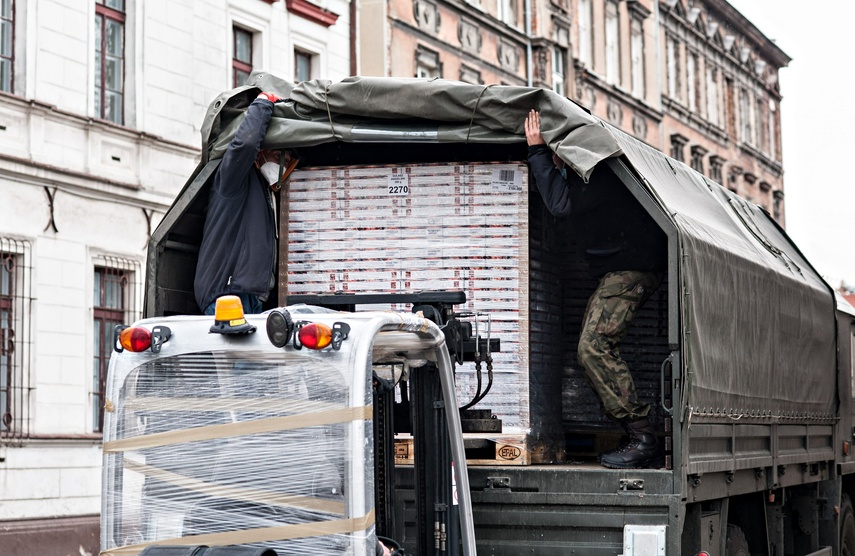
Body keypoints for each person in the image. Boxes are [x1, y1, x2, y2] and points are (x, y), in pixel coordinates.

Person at [524, 109, 667, 469]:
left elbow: (558, 204)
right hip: (624, 269)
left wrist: (537, 151)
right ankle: (639, 433)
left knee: (593, 347)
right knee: (592, 346)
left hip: (629, 270)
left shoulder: (601, 173)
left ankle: (643, 436)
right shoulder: (597, 172)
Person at [194, 91, 298, 316]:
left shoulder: (264, 191)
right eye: (283, 156)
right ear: (262, 152)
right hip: (227, 296)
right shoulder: (234, 179)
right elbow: (244, 145)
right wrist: (263, 103)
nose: (286, 164)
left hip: (247, 297)